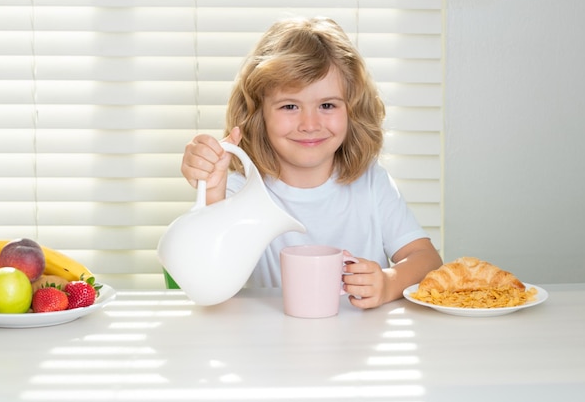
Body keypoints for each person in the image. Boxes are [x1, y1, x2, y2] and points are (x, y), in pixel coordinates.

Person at [180, 16, 442, 309]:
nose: (309, 124)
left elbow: (427, 259)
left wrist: (388, 282)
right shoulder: (239, 191)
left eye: (327, 105)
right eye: (290, 106)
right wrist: (213, 191)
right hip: (268, 348)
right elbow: (208, 278)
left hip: (357, 348)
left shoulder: (371, 183)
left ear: (352, 111)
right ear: (258, 113)